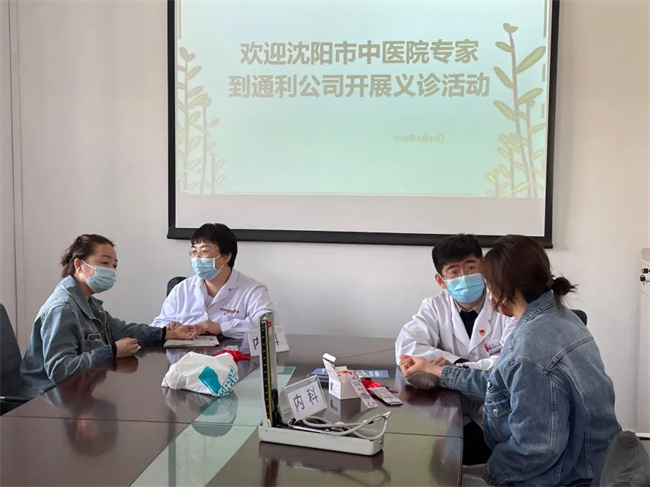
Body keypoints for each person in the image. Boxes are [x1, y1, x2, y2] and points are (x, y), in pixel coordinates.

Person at [400, 235, 621, 486]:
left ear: (506, 288)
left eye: (488, 283)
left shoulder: (530, 349)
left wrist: (490, 474)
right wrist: (441, 372)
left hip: (564, 476)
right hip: (588, 461)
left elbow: (535, 449)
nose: (489, 296)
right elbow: (501, 382)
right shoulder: (558, 317)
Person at [20, 234, 199, 398]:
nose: (111, 271)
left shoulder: (88, 302)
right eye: (105, 263)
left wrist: (166, 333)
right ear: (79, 265)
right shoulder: (62, 309)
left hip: (77, 391)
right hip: (46, 400)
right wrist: (111, 352)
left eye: (114, 266)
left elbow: (121, 331)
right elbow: (60, 370)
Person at [395, 234, 517, 370]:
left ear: (484, 269)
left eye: (471, 268)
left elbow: (513, 357)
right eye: (454, 272)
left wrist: (457, 367)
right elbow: (407, 346)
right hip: (447, 382)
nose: (464, 277)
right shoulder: (434, 306)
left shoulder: (507, 303)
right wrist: (457, 362)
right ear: (441, 281)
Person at [151, 223, 274, 340]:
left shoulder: (252, 290)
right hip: (186, 353)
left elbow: (268, 324)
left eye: (204, 251)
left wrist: (221, 327)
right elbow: (157, 325)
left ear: (226, 256)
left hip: (232, 353)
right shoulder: (181, 289)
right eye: (194, 252)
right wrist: (170, 329)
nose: (197, 258)